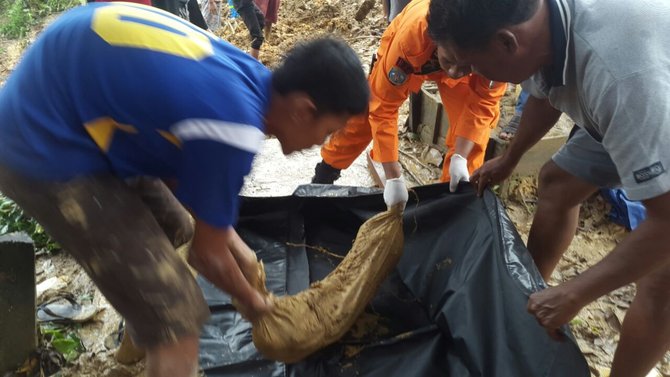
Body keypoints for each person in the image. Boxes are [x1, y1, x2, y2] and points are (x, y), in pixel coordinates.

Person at [0, 3, 369, 376]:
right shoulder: (232, 128)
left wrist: (233, 247)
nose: (318, 144)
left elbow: (187, 170)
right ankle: (154, 336)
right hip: (41, 139)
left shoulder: (251, 80)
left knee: (177, 229)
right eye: (326, 132)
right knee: (176, 312)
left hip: (86, 108)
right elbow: (206, 257)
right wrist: (258, 307)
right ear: (303, 110)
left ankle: (132, 352)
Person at [427, 0, 670, 376]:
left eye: (471, 63)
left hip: (649, 104)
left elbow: (667, 223)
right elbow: (544, 92)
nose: (464, 74)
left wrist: (576, 293)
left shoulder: (622, 80)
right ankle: (528, 298)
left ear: (507, 43)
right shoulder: (538, 26)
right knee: (558, 182)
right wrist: (510, 159)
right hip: (626, 110)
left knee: (660, 285)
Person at [311, 0, 506, 197]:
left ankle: (455, 197)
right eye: (449, 61)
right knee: (368, 112)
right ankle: (327, 171)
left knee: (473, 134)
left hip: (468, 63)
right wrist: (393, 176)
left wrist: (460, 157)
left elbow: (483, 103)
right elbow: (383, 107)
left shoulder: (495, 54)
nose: (455, 73)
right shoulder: (410, 40)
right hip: (416, 51)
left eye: (464, 66)